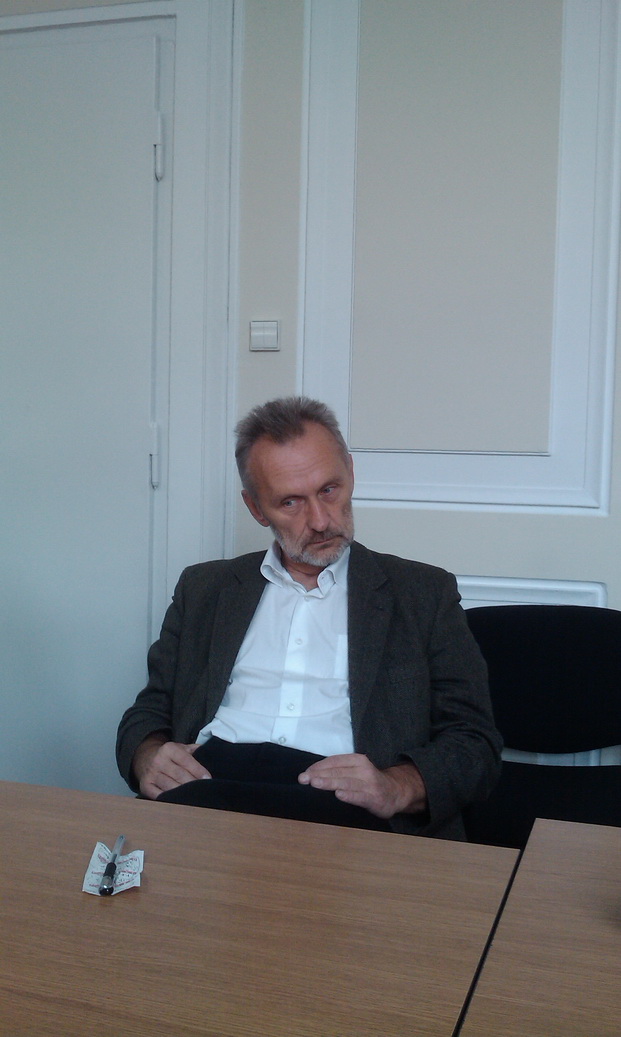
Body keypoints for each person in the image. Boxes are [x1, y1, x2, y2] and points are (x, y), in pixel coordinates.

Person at [116, 396, 501, 839]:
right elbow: (148, 712)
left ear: (350, 472)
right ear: (255, 508)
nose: (320, 521)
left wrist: (396, 786)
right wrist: (148, 756)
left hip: (343, 815)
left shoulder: (422, 594)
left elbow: (475, 743)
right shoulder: (205, 589)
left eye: (329, 490)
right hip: (208, 798)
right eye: (291, 502)